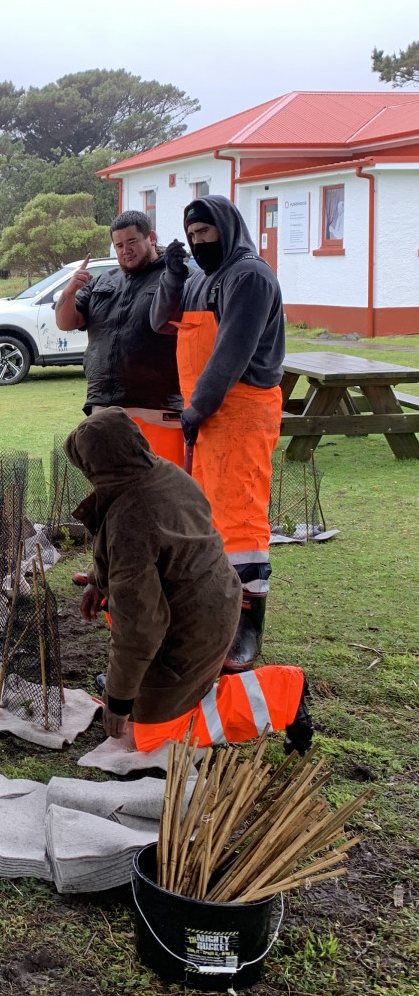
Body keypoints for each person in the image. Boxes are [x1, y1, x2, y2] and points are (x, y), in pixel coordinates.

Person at [65, 409, 310, 755]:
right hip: (211, 600)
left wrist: (119, 702)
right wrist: (98, 581)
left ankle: (284, 692)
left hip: (196, 626)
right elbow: (135, 550)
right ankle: (146, 690)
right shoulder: (162, 472)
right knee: (140, 705)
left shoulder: (132, 518)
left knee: (151, 738)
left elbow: (140, 627)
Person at [152, 194, 285, 671]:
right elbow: (159, 322)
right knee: (209, 522)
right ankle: (214, 616)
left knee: (241, 519)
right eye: (191, 236)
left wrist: (198, 407)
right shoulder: (202, 278)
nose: (197, 242)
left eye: (204, 233)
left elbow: (231, 352)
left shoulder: (248, 277)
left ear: (226, 228)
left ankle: (248, 625)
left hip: (242, 409)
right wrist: (172, 273)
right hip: (205, 414)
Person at [54, 210, 185, 466]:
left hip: (156, 407)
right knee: (111, 490)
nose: (126, 250)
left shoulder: (174, 278)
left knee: (164, 490)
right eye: (120, 245)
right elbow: (65, 322)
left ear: (151, 237)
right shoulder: (103, 281)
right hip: (103, 406)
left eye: (133, 242)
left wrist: (176, 274)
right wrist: (70, 290)